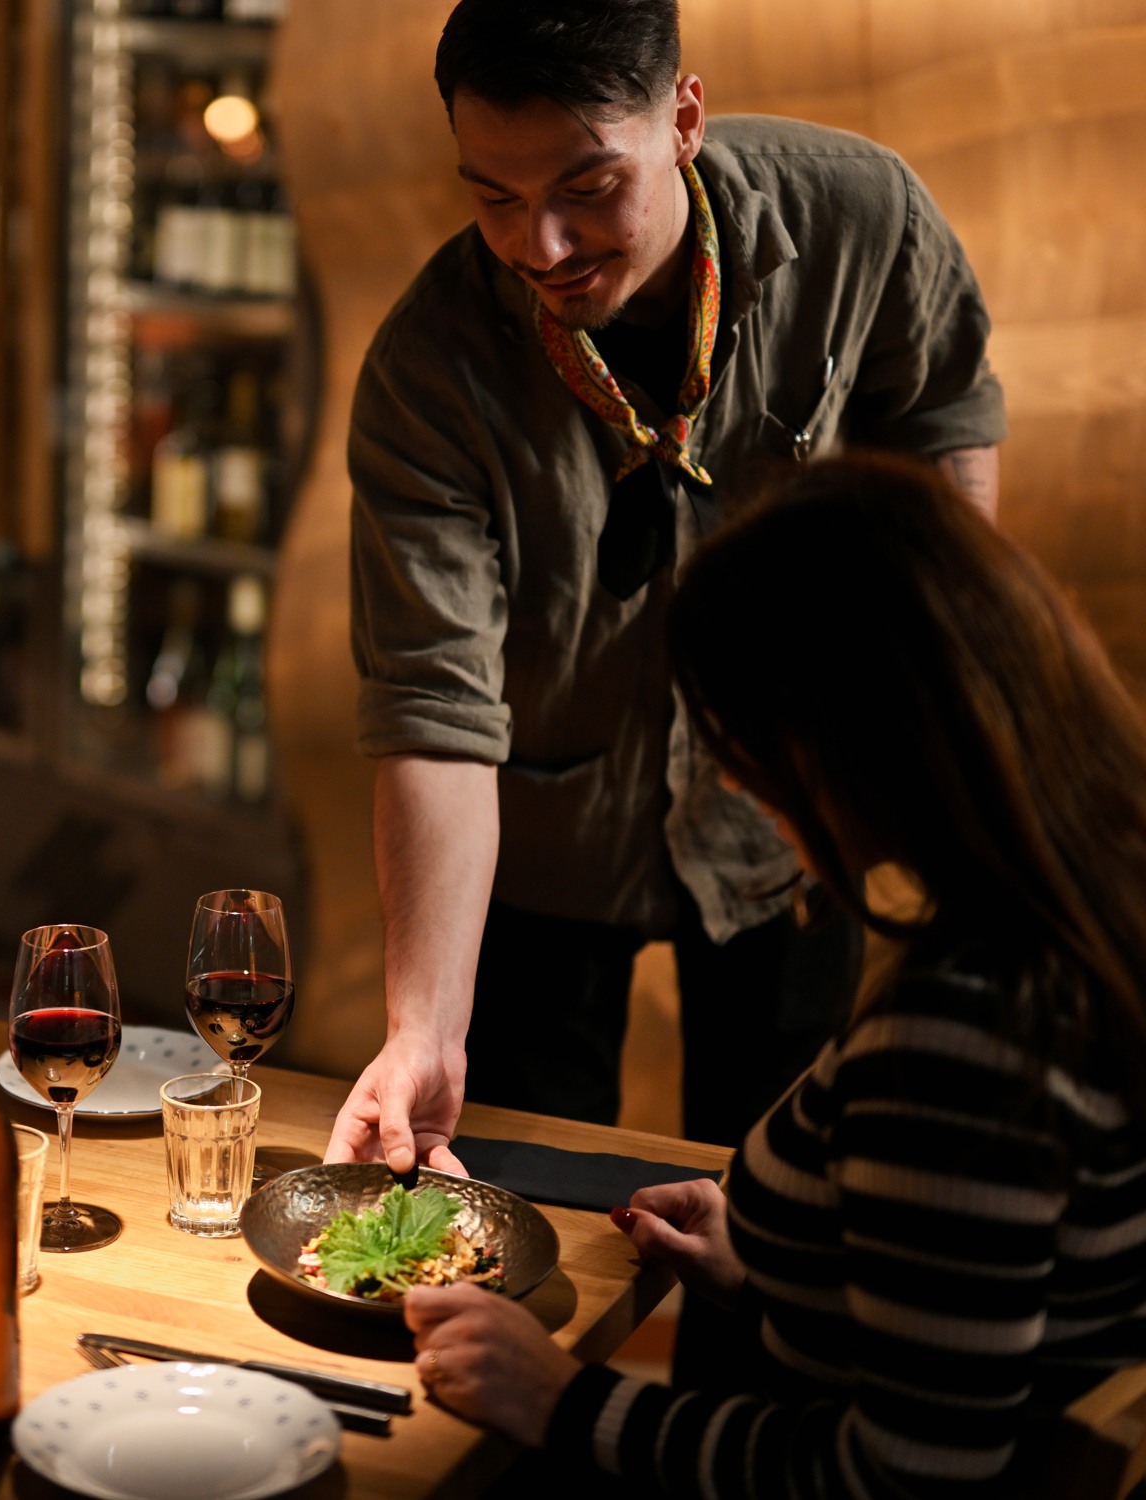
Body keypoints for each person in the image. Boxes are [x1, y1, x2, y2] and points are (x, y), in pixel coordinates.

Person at [329, 0, 1008, 1179]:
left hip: (786, 814)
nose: (538, 246)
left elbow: (942, 420)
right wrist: (421, 1029)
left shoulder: (858, 216)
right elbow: (435, 706)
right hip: (535, 837)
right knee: (527, 1206)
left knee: (778, 1203)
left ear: (682, 117)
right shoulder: (426, 371)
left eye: (586, 187)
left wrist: (912, 735)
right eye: (492, 197)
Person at [403, 453, 1146, 1496]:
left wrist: (564, 1398)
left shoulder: (965, 1034)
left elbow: (904, 1477)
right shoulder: (1086, 911)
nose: (735, 780)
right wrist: (779, 1270)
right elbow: (984, 1314)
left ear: (837, 736)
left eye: (735, 737)